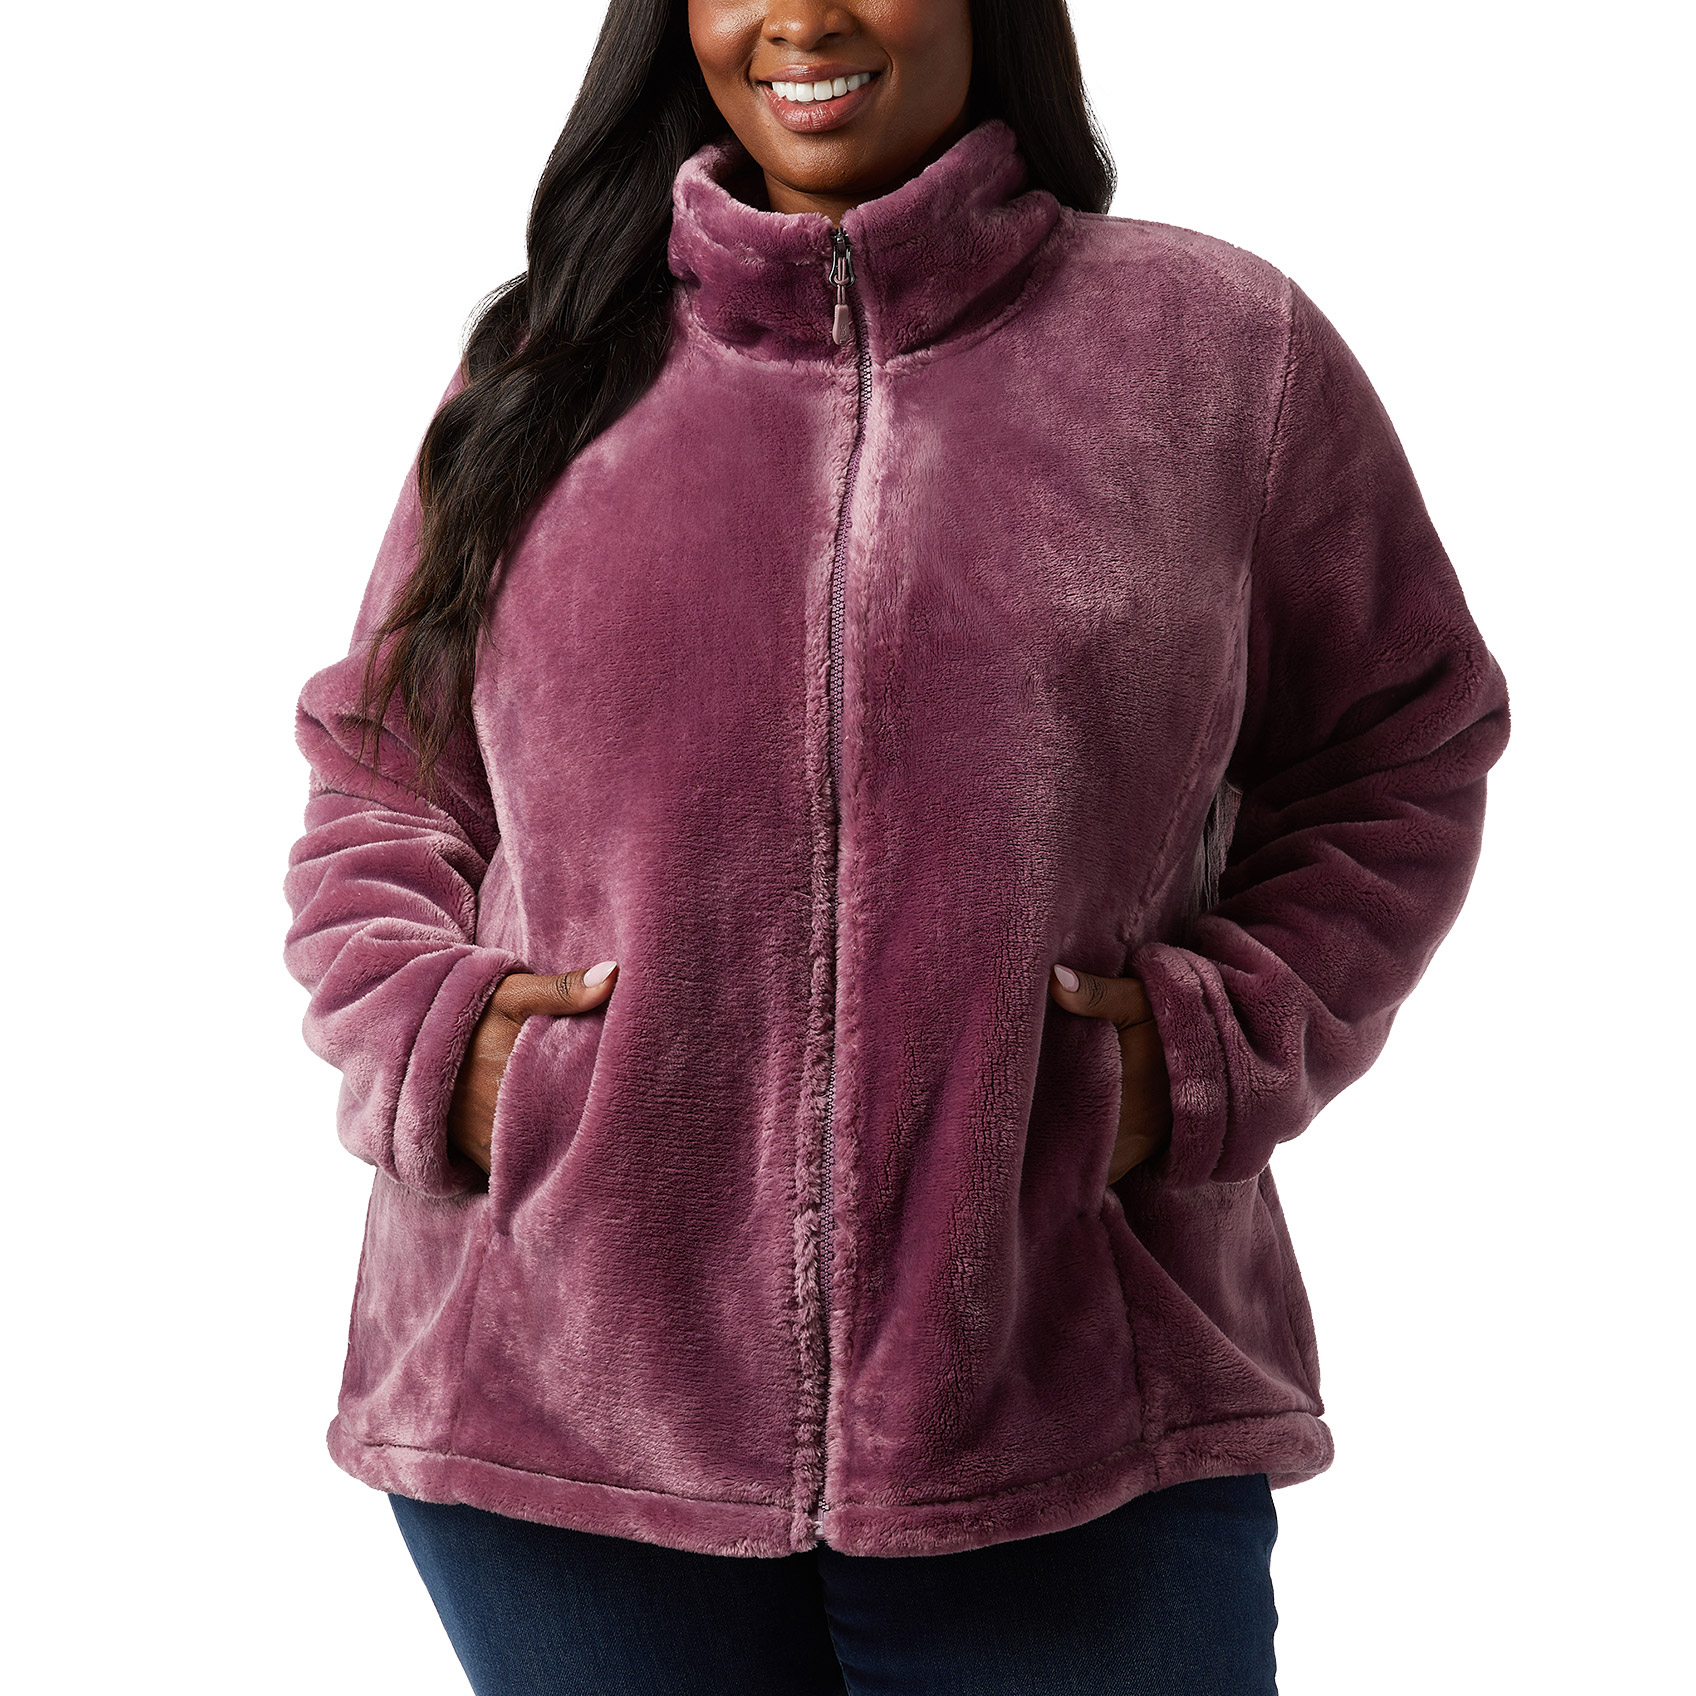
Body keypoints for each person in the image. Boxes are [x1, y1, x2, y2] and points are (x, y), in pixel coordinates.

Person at [282, 0, 1511, 1690]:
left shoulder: (1217, 353)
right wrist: (438, 1043)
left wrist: (1218, 1049)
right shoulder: (546, 366)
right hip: (561, 1417)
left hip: (1079, 1404)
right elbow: (383, 771)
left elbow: (1404, 742)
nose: (804, 16)